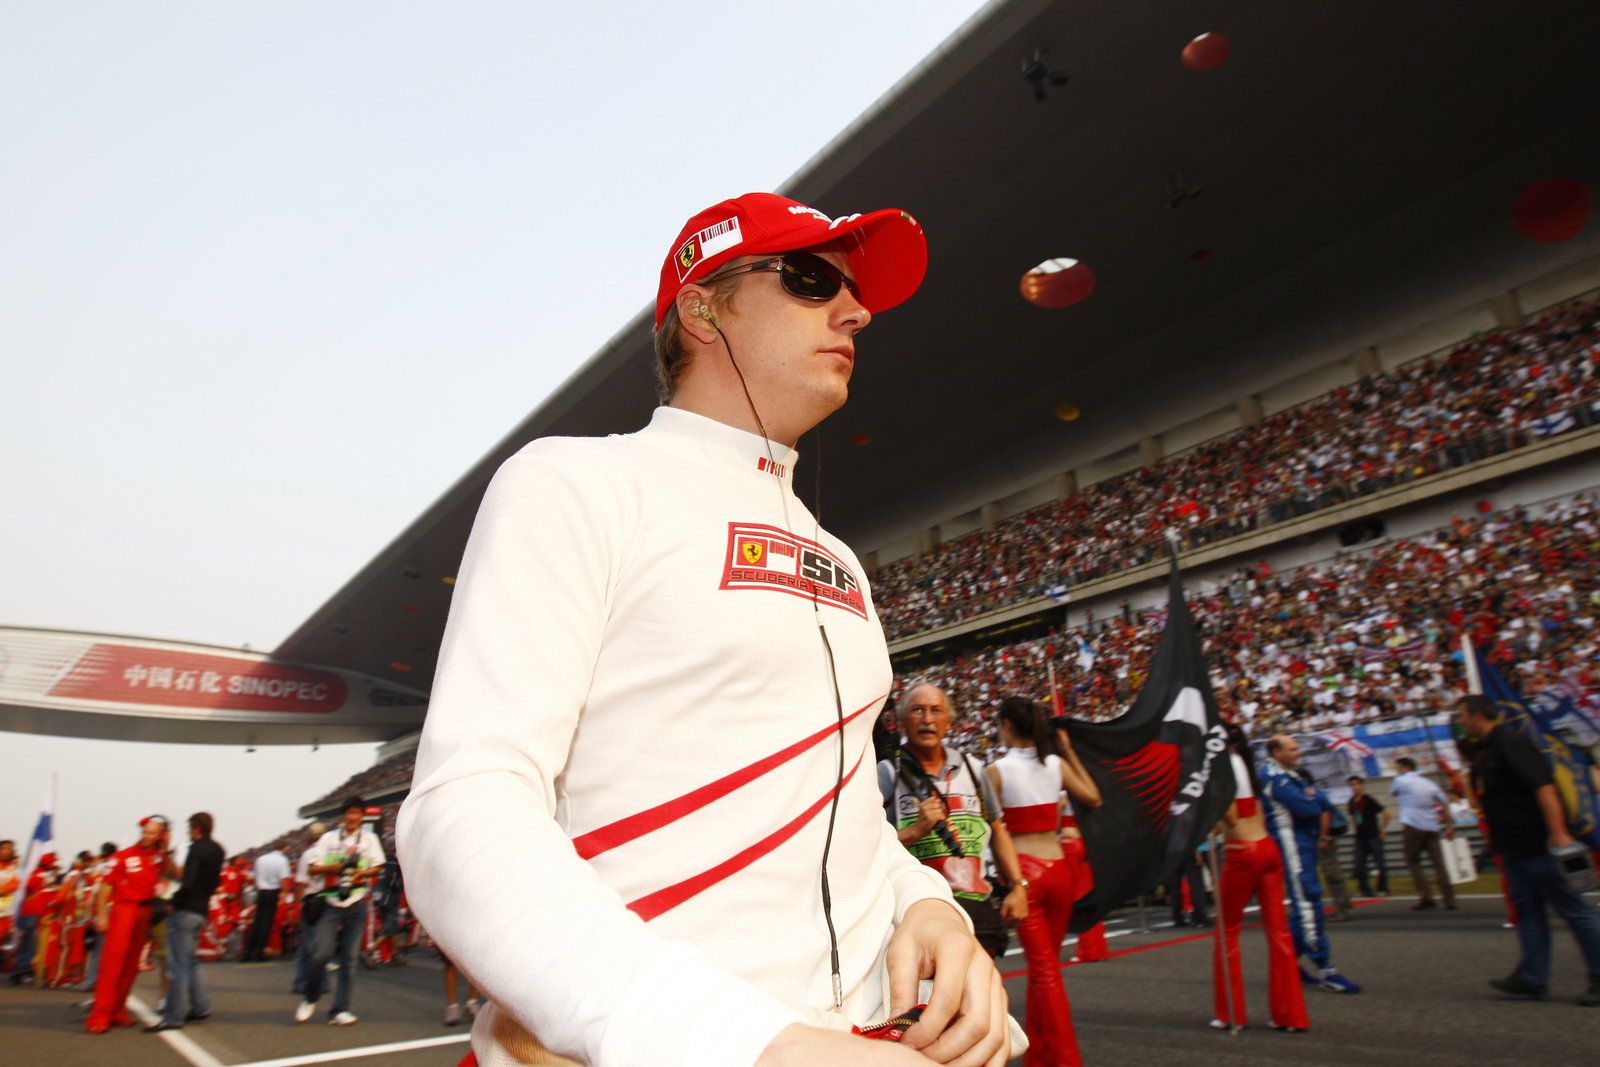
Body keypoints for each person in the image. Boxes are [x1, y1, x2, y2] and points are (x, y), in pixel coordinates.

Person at [399, 192, 1013, 1067]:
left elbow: (842, 812)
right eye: (810, 280)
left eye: (851, 291)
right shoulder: (576, 482)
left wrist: (928, 906)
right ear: (702, 309)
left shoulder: (838, 554)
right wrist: (748, 1043)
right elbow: (461, 804)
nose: (855, 310)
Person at [1457, 695, 1600, 1005]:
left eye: (1463, 715)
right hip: (1512, 848)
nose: (1461, 721)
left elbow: (1544, 786)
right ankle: (1532, 977)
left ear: (1479, 715)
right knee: (1527, 911)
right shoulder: (1486, 750)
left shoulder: (1511, 742)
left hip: (1538, 844)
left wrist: (1559, 832)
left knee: (1574, 910)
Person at [985, 695, 1103, 1067]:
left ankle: (1064, 1060)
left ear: (1005, 725)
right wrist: (1068, 754)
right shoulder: (1055, 764)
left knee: (1045, 972)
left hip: (1027, 876)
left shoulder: (996, 771)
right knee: (1047, 969)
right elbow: (1094, 797)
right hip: (1059, 871)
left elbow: (986, 828)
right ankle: (1043, 1056)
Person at [879, 684, 1029, 960]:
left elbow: (997, 830)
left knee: (983, 999)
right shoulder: (887, 773)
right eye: (918, 710)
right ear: (902, 722)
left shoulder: (973, 768)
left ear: (949, 721)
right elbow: (872, 846)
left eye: (936, 711)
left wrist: (1019, 886)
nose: (927, 719)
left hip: (977, 910)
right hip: (922, 909)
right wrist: (917, 830)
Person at [1211, 723, 1310, 1032]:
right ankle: (1289, 1015)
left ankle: (1230, 1013)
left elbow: (1227, 817)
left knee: (1227, 932)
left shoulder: (1223, 768)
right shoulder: (1246, 767)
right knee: (1278, 932)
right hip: (1267, 848)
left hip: (1242, 852)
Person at [1260, 736, 1361, 994]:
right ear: (1276, 752)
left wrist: (1314, 798)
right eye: (1292, 749)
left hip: (1304, 843)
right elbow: (1309, 808)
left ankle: (1286, 962)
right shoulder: (1273, 776)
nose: (1298, 753)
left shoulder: (1290, 774)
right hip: (1291, 846)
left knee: (1309, 900)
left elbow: (1322, 803)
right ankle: (1326, 968)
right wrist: (1314, 798)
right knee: (1307, 904)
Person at [295, 799, 385, 1026]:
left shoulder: (369, 839)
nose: (353, 817)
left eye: (357, 813)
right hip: (330, 900)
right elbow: (312, 867)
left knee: (349, 959)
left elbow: (378, 866)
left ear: (362, 816)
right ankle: (310, 997)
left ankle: (340, 1009)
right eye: (349, 812)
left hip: (356, 901)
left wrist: (360, 874)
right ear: (343, 815)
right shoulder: (328, 838)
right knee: (320, 954)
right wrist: (333, 868)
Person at [85, 816, 176, 1034]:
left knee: (131, 965)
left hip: (145, 910)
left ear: (160, 836)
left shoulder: (158, 857)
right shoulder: (122, 857)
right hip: (123, 909)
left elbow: (175, 874)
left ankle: (117, 1010)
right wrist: (101, 916)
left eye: (152, 833)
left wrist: (166, 849)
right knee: (112, 964)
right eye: (145, 832)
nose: (146, 837)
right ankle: (100, 1014)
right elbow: (104, 887)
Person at [148, 812, 225, 1032]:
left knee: (178, 965)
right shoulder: (217, 850)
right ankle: (200, 1006)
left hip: (186, 908)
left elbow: (188, 881)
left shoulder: (197, 848)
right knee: (191, 961)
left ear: (197, 828)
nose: (189, 832)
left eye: (190, 828)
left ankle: (174, 1016)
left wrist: (175, 901)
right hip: (202, 909)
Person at [1390, 757, 1456, 911]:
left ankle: (1426, 896)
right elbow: (1444, 800)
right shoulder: (1428, 783)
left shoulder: (1400, 780)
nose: (1397, 771)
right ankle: (1449, 899)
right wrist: (1450, 825)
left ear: (1405, 768)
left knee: (1412, 860)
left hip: (1412, 824)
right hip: (1431, 825)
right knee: (1438, 863)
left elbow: (1393, 793)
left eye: (1398, 768)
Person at [289, 821, 326, 995]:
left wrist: (295, 906)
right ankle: (320, 980)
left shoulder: (308, 854)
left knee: (309, 944)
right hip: (327, 899)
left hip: (311, 900)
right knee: (321, 944)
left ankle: (306, 981)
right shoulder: (330, 852)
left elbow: (301, 883)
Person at [243, 844, 290, 962]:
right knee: (266, 923)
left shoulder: (261, 859)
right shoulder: (282, 860)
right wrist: (285, 893)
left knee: (257, 922)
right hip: (273, 892)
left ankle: (248, 953)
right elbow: (284, 880)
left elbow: (254, 877)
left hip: (261, 891)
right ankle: (259, 952)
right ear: (283, 849)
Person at [1346, 776, 1390, 897]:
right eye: (1352, 785)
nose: (1354, 787)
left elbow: (1387, 814)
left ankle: (1383, 888)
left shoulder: (1369, 799)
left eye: (1356, 784)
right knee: (1359, 864)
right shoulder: (1351, 802)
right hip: (1360, 837)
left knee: (1380, 863)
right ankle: (1364, 889)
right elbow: (1354, 818)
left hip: (1373, 836)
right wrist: (1356, 831)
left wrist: (1383, 830)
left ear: (1361, 785)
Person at [0, 839, 19, 969]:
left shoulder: (11, 868)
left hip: (5, 912)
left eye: (9, 849)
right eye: (4, 848)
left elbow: (16, 883)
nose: (7, 851)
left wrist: (4, 889)